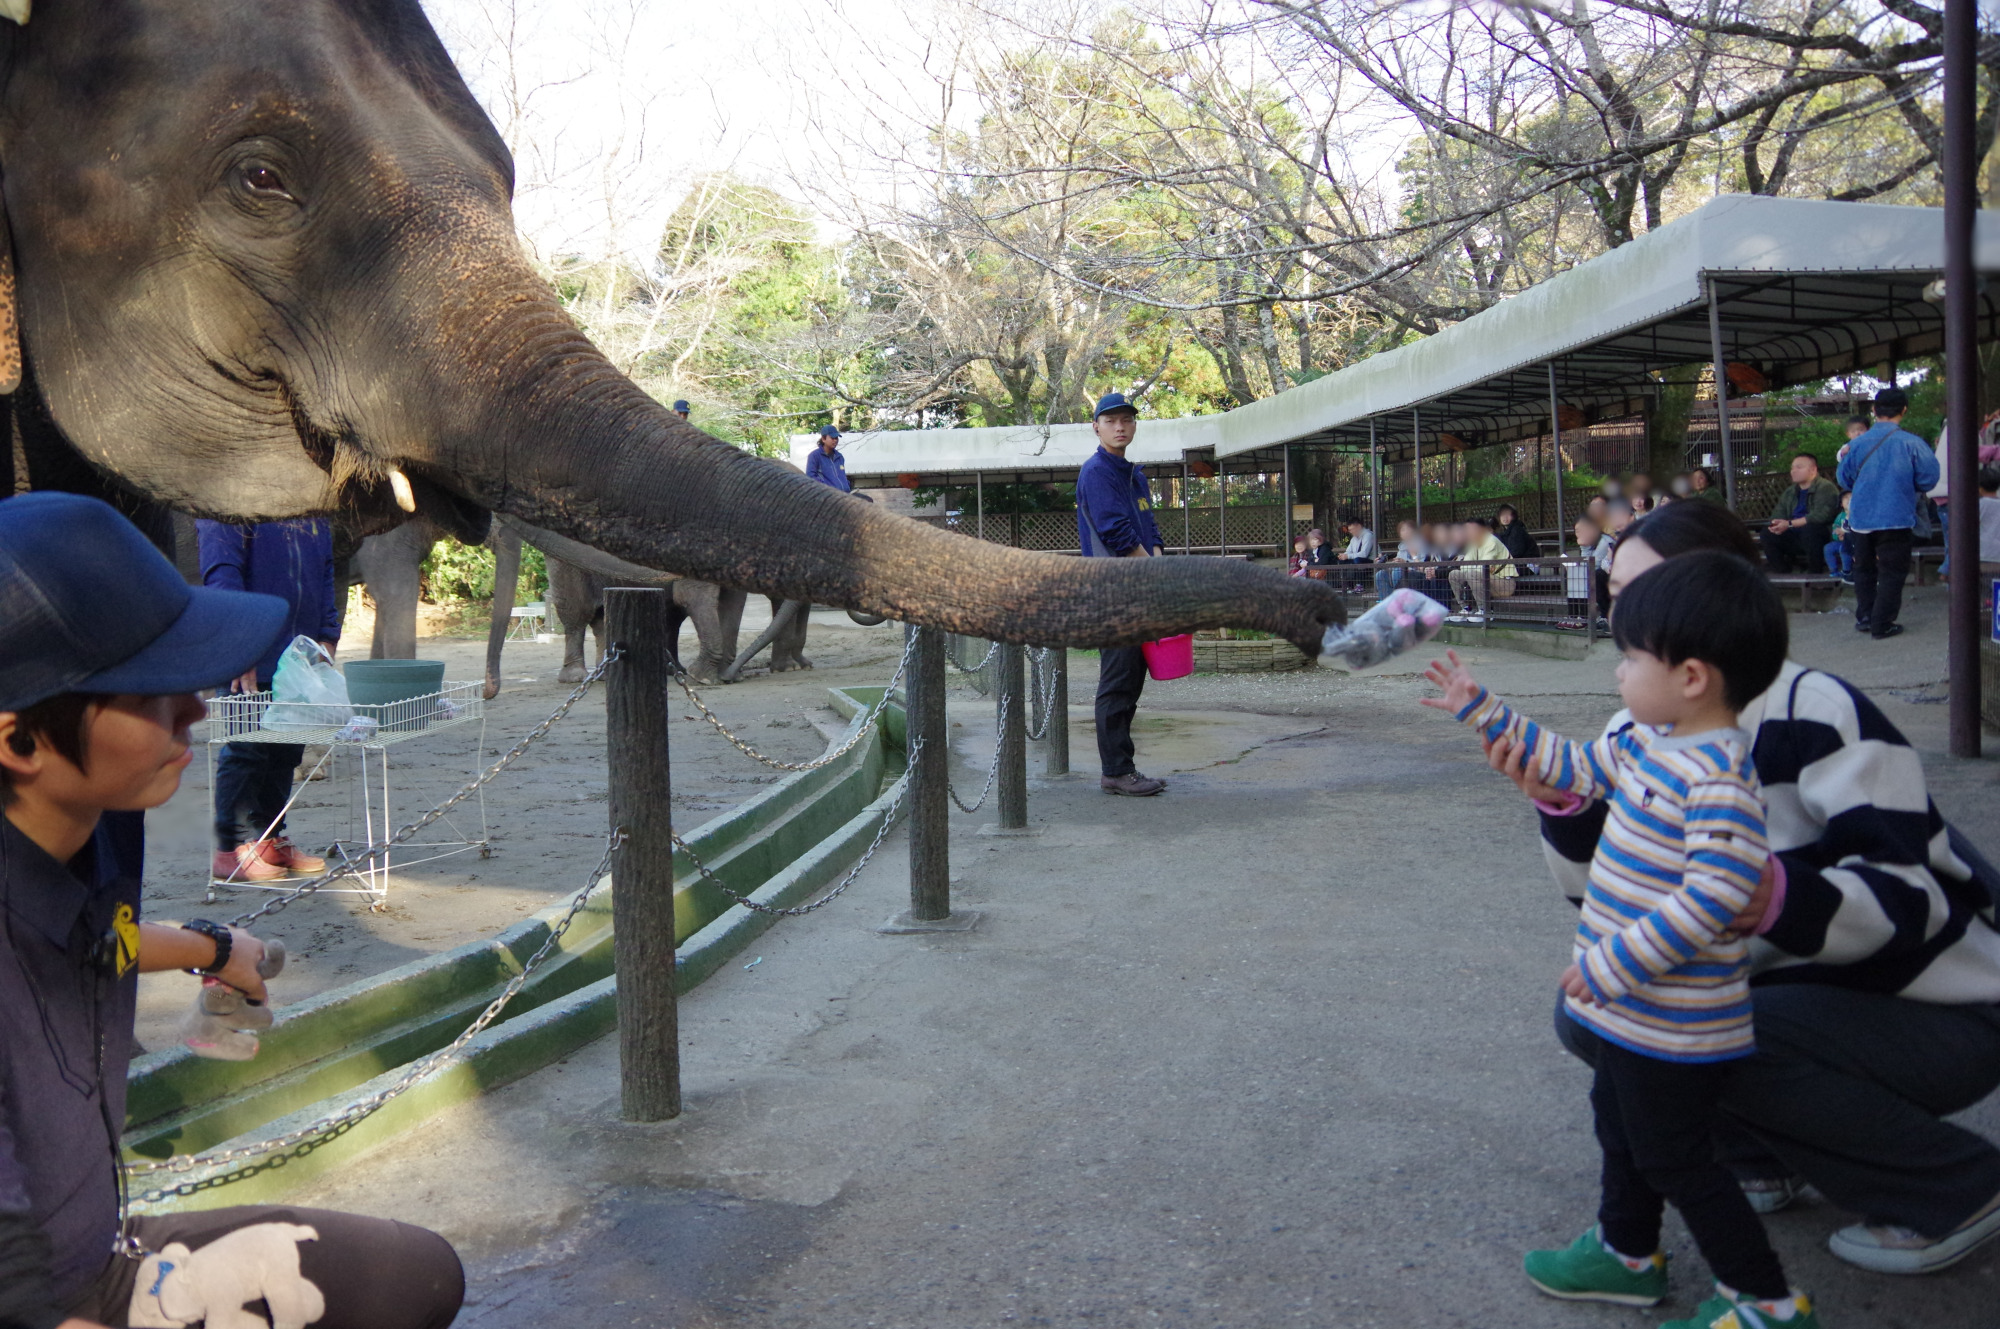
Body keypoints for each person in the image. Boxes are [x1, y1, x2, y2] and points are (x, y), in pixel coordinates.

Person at [1492, 497, 2000, 1279]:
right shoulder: (1649, 727)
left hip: (1939, 1006)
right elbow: (1607, 903)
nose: (1618, 614)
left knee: (1724, 1027)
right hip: (1810, 997)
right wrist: (1564, 804)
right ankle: (1760, 1156)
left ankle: (1956, 1186)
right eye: (1615, 592)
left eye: (1639, 594)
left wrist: (1770, 896)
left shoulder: (1817, 710)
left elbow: (1911, 900)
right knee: (1596, 1009)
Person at [0, 493, 466, 1329]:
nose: (194, 712)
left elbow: (86, 938)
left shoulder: (97, 823)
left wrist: (211, 949)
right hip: (40, 1298)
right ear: (20, 741)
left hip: (94, 1249)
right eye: (150, 693)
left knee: (422, 1275)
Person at [1427, 553, 1821, 1329]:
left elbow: (1715, 897)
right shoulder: (1648, 739)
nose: (1619, 675)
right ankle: (1627, 1252)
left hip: (1674, 1019)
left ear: (1693, 677)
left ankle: (1767, 1300)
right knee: (1617, 1123)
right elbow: (1573, 767)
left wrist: (1612, 961)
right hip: (1627, 1011)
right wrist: (1484, 709)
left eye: (1632, 658)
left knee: (1678, 1156)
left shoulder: (1717, 779)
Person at [196, 519, 339, 885]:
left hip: (298, 656)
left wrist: (327, 634)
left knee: (286, 751)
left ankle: (268, 839)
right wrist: (241, 643)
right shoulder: (227, 505)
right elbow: (222, 575)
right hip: (252, 650)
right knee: (246, 750)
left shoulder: (311, 513)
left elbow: (326, 573)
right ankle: (231, 849)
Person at [1075, 392, 1167, 798]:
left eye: (1126, 420)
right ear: (1096, 426)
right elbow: (1115, 530)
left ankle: (1123, 766)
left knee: (1131, 681)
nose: (1120, 426)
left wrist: (1159, 563)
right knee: (1116, 683)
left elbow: (1150, 528)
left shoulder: (1134, 474)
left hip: (1138, 589)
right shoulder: (1097, 472)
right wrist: (1149, 568)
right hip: (1113, 592)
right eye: (1110, 420)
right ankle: (1115, 770)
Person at [1837, 387, 1940, 641]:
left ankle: (1864, 617)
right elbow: (1929, 479)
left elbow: (1844, 478)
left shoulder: (1855, 444)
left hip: (1861, 518)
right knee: (1892, 571)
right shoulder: (1912, 443)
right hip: (1896, 516)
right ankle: (1882, 623)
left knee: (1863, 569)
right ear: (1904, 410)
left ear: (1873, 410)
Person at [1924, 413, 2000, 580]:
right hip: (1952, 493)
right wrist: (1995, 451)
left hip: (1945, 493)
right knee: (1959, 541)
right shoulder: (1960, 427)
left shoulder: (1952, 428)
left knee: (1952, 540)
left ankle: (1950, 573)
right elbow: (1970, 452)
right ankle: (1949, 573)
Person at [1757, 452, 1840, 573]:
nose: (1793, 471)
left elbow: (1821, 516)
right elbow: (1778, 513)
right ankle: (1782, 572)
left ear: (1813, 470)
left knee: (1811, 529)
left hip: (1819, 537)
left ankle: (1815, 573)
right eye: (1792, 468)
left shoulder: (1825, 487)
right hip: (1794, 535)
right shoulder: (1790, 492)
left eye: (1799, 467)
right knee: (1767, 533)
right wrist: (1776, 524)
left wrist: (1790, 523)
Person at [1445, 514, 1516, 624]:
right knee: (1454, 574)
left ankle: (1486, 611)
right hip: (1487, 582)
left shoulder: (1491, 541)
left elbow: (1485, 567)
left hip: (1505, 584)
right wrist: (1468, 571)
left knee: (1471, 573)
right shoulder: (1473, 543)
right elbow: (1464, 565)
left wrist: (1469, 571)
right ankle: (1466, 608)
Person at [1374, 521, 1428, 600]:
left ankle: (1399, 602)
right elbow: (1398, 563)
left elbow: (1422, 565)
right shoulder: (1402, 546)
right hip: (1401, 573)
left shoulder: (1421, 544)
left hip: (1415, 575)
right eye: (1402, 530)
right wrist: (1384, 564)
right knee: (1380, 574)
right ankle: (1387, 605)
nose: (1405, 532)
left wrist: (1405, 563)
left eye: (1407, 529)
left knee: (1398, 571)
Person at [1563, 517, 1601, 627]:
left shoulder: (1602, 541)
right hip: (1589, 572)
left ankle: (1583, 617)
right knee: (1573, 572)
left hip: (1601, 573)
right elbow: (1585, 561)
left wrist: (1580, 567)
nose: (1580, 533)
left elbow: (1597, 562)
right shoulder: (1584, 544)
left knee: (1579, 574)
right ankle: (1573, 616)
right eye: (1577, 531)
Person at [805, 425, 852, 492]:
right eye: (832, 438)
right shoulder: (814, 456)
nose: (835, 440)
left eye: (836, 438)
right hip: (828, 497)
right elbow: (810, 478)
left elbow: (842, 476)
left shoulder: (839, 457)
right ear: (823, 439)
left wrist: (846, 485)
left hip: (845, 495)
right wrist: (828, 488)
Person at [1823, 491, 1854, 582]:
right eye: (1846, 498)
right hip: (1840, 541)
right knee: (1828, 548)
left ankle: (1846, 571)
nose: (1849, 500)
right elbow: (1835, 529)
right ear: (1841, 504)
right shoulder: (1840, 516)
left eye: (1851, 497)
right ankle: (1833, 570)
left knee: (1844, 549)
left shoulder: (1857, 515)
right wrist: (1837, 535)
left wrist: (1847, 534)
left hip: (1851, 542)